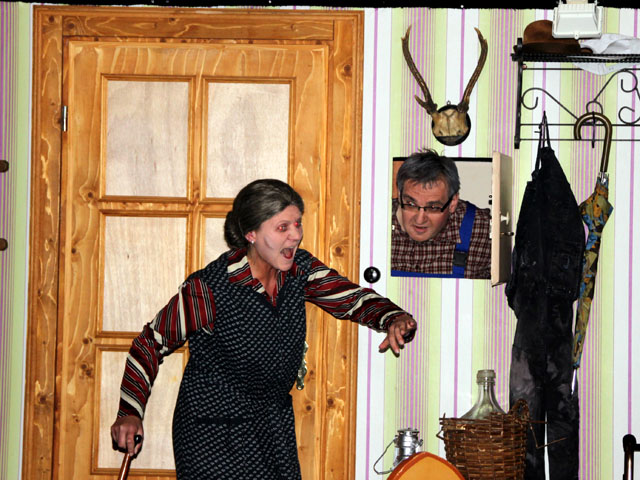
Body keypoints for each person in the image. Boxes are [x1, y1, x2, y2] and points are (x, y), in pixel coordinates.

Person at [111, 178, 417, 480]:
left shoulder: (300, 271)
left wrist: (392, 317)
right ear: (251, 234)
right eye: (282, 227)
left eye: (297, 224)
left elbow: (350, 298)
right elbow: (150, 343)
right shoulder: (210, 288)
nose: (295, 236)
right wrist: (130, 411)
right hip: (213, 433)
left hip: (272, 427)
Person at [391, 149, 491, 279]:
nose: (420, 220)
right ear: (399, 195)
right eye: (411, 204)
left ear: (452, 202)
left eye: (433, 207)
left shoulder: (483, 230)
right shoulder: (376, 224)